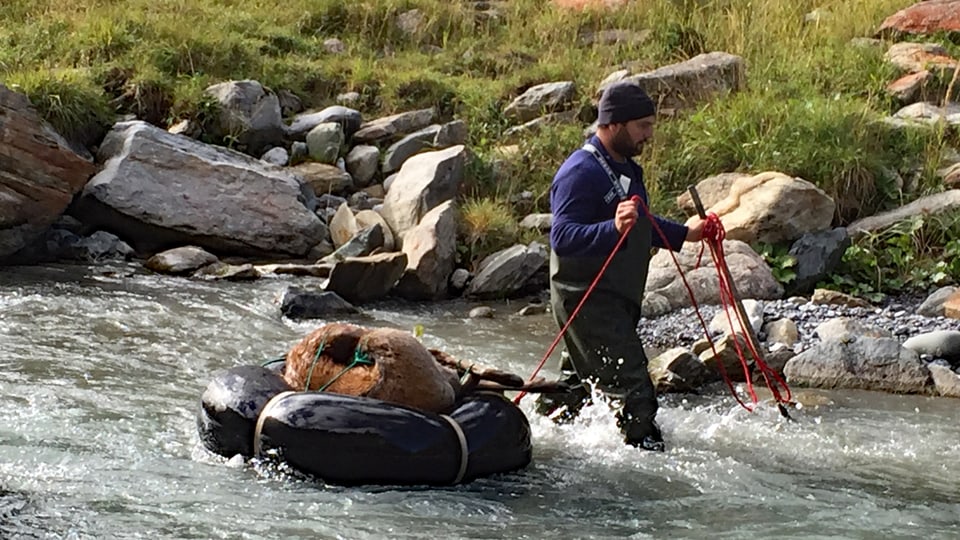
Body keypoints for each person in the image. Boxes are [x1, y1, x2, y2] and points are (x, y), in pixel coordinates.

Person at [535, 82, 705, 452]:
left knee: (575, 387)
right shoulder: (579, 172)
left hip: (617, 296)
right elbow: (562, 237)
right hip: (588, 299)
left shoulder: (627, 167)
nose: (649, 134)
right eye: (642, 126)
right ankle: (651, 469)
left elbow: (638, 220)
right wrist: (610, 227)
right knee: (635, 393)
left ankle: (537, 440)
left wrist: (687, 235)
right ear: (613, 123)